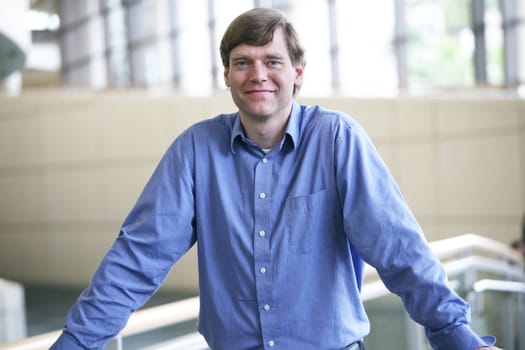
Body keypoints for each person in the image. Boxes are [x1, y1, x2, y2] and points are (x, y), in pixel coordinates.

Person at [50, 8, 499, 350]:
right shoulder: (195, 150)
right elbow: (138, 256)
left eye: (273, 61)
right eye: (243, 62)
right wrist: (76, 342)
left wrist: (451, 331)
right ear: (226, 74)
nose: (258, 75)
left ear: (297, 72)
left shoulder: (337, 139)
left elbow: (398, 246)